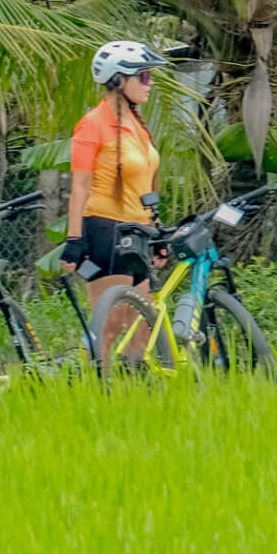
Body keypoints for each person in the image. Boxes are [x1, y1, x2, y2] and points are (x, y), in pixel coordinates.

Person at [65, 41, 166, 359]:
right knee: (110, 327)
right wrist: (74, 239)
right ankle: (94, 394)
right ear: (119, 80)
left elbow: (144, 184)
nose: (150, 84)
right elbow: (79, 187)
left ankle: (136, 397)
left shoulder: (137, 124)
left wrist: (158, 231)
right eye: (144, 77)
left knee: (143, 328)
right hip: (106, 230)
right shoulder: (93, 124)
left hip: (140, 232)